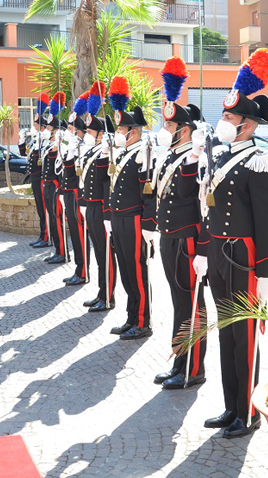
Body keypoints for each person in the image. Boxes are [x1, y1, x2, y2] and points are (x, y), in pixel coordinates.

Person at [193, 48, 268, 437]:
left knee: (244, 335)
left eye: (228, 117)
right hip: (218, 254)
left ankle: (249, 411)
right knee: (227, 333)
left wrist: (266, 272)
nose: (221, 122)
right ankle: (231, 407)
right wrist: (204, 251)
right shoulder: (220, 154)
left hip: (244, 256)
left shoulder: (261, 158)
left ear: (246, 123)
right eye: (224, 116)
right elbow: (205, 205)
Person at [151, 57, 208, 390]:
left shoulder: (195, 155)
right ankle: (179, 360)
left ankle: (193, 368)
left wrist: (203, 249)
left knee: (191, 303)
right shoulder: (170, 155)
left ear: (184, 129)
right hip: (169, 238)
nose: (166, 129)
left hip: (188, 240)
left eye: (170, 126)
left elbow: (202, 205)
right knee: (178, 302)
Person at [107, 76, 156, 341]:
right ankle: (131, 316)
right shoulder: (124, 153)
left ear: (133, 131)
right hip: (120, 218)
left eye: (122, 129)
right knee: (126, 268)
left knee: (137, 271)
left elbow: (148, 193)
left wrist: (149, 225)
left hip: (135, 220)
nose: (118, 132)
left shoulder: (143, 153)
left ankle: (143, 321)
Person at [80, 107, 117, 312]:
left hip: (102, 208)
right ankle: (101, 292)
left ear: (101, 134)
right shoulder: (92, 151)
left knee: (106, 254)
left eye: (90, 131)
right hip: (92, 206)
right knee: (98, 253)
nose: (86, 134)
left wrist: (107, 213)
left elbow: (107, 184)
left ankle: (108, 295)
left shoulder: (107, 152)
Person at [60, 111, 88, 285]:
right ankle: (78, 269)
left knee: (79, 234)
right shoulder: (71, 146)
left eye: (71, 129)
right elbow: (66, 167)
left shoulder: (83, 147)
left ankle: (83, 271)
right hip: (70, 191)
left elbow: (74, 171)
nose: (68, 132)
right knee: (74, 234)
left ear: (79, 132)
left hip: (77, 193)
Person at [18, 101, 50, 248]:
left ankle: (46, 236)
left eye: (36, 124)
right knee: (39, 208)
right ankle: (42, 234)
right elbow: (24, 154)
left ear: (42, 127)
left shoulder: (44, 141)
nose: (34, 126)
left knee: (44, 209)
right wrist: (22, 141)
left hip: (41, 179)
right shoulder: (36, 140)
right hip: (35, 179)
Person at [41, 113, 66, 264]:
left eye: (50, 127)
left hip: (56, 186)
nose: (47, 129)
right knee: (52, 218)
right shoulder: (49, 143)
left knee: (57, 220)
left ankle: (62, 252)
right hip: (47, 184)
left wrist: (58, 145)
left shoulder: (61, 146)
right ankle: (57, 250)